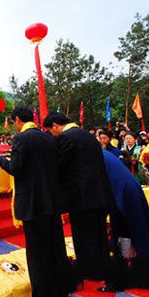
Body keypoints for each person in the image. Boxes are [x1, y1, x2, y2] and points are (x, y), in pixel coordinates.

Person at [0, 107, 74, 297]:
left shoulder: (21, 138)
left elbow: (16, 168)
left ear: (17, 120)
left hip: (33, 205)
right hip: (51, 202)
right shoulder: (47, 137)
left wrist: (1, 161)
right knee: (55, 251)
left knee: (37, 256)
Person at [42, 113, 112, 282]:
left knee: (84, 235)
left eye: (50, 131)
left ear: (55, 125)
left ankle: (89, 270)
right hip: (99, 193)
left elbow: (58, 165)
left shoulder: (66, 138)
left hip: (82, 196)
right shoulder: (88, 136)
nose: (52, 135)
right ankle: (103, 268)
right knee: (99, 234)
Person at [101, 150, 149, 293]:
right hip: (123, 193)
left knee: (137, 236)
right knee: (126, 235)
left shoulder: (91, 154)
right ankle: (125, 277)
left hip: (124, 195)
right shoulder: (99, 152)